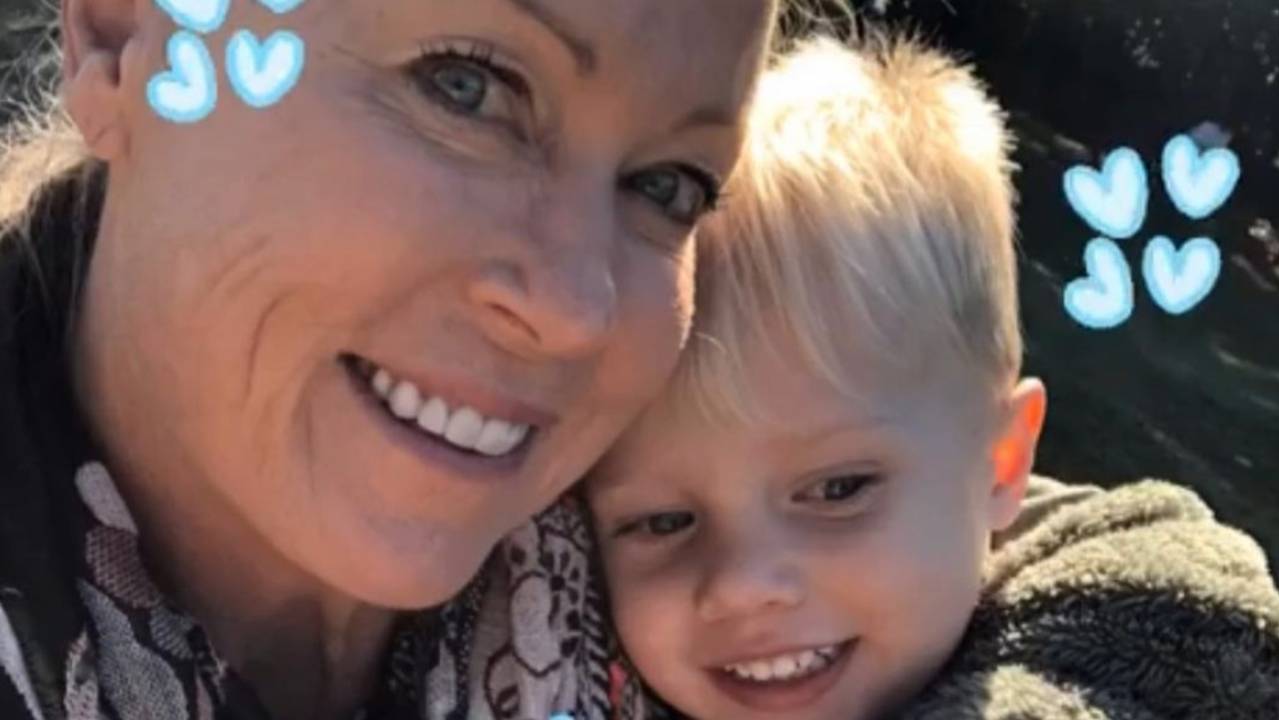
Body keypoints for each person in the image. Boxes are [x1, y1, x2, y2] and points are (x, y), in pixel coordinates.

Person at [0, 0, 780, 718]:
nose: (576, 312)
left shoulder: (718, 607)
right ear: (120, 34)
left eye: (668, 187)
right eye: (465, 86)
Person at [585, 34, 1279, 719]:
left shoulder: (1136, 637)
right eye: (662, 522)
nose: (741, 586)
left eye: (837, 489)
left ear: (1001, 462)